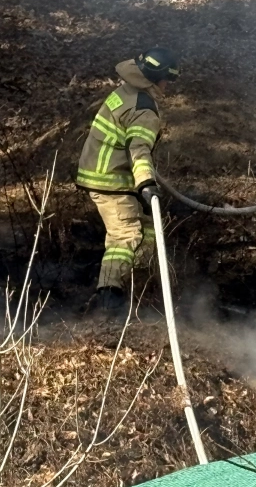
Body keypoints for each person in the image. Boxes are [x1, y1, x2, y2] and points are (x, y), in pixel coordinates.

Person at [76, 48, 179, 311]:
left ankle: (137, 286)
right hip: (111, 179)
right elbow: (139, 148)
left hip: (105, 172)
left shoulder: (125, 92)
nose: (169, 85)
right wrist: (146, 183)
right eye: (168, 79)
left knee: (147, 232)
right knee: (125, 237)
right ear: (156, 78)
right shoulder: (144, 109)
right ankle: (109, 297)